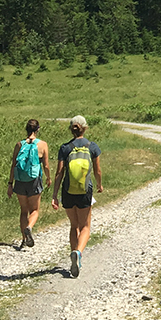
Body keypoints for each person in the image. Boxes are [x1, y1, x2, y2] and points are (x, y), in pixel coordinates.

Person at [51, 115, 103, 278]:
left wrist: (54, 195)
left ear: (71, 129)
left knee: (74, 225)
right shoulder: (92, 147)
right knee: (85, 226)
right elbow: (97, 171)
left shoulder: (65, 148)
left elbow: (59, 173)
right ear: (84, 128)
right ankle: (78, 253)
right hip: (84, 191)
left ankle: (74, 252)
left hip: (68, 191)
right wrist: (100, 185)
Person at [7, 118, 51, 248]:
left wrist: (10, 184)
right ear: (38, 130)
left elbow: (13, 165)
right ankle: (29, 228)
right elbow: (46, 165)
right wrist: (48, 178)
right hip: (34, 180)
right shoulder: (42, 145)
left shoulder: (19, 145)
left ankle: (24, 239)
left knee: (23, 211)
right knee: (35, 210)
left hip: (20, 180)